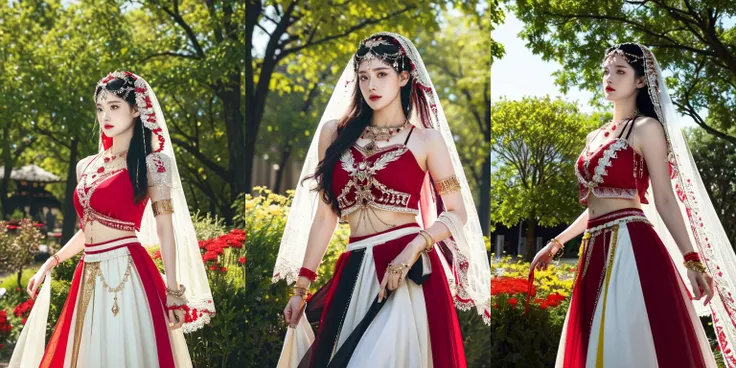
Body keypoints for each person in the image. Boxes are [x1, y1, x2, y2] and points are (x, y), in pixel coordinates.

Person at [271, 32, 491, 368]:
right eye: (364, 76)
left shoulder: (426, 141)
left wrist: (414, 247)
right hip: (353, 272)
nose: (371, 85)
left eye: (382, 74)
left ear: (404, 77)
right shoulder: (334, 134)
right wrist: (301, 290)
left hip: (405, 276)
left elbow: (457, 213)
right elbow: (325, 217)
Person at [530, 43, 736, 367]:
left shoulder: (646, 129)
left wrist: (692, 259)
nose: (608, 78)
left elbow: (664, 199)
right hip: (592, 247)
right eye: (606, 71)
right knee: (593, 340)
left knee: (627, 339)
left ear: (640, 81)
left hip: (632, 247)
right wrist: (556, 243)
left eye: (620, 72)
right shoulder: (593, 137)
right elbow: (596, 205)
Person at [11, 72, 215, 368]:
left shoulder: (154, 163)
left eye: (115, 106)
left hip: (128, 271)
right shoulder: (87, 165)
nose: (105, 115)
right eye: (100, 108)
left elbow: (164, 229)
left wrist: (173, 293)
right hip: (88, 271)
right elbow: (87, 230)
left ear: (136, 110)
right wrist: (51, 261)